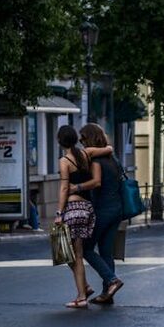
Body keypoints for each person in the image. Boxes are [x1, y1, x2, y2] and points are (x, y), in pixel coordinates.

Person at [71, 123, 125, 305]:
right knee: (106, 251)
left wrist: (76, 188)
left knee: (86, 248)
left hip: (103, 210)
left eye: (83, 139)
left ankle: (112, 280)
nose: (81, 142)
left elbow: (96, 182)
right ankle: (107, 293)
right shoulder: (113, 158)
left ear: (90, 138)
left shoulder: (95, 160)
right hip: (117, 209)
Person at [55, 125, 100, 309]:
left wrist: (59, 213)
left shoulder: (64, 161)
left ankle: (81, 297)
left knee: (68, 253)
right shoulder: (85, 154)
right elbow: (108, 149)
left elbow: (64, 188)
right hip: (87, 208)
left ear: (59, 141)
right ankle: (85, 287)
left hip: (72, 209)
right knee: (73, 253)